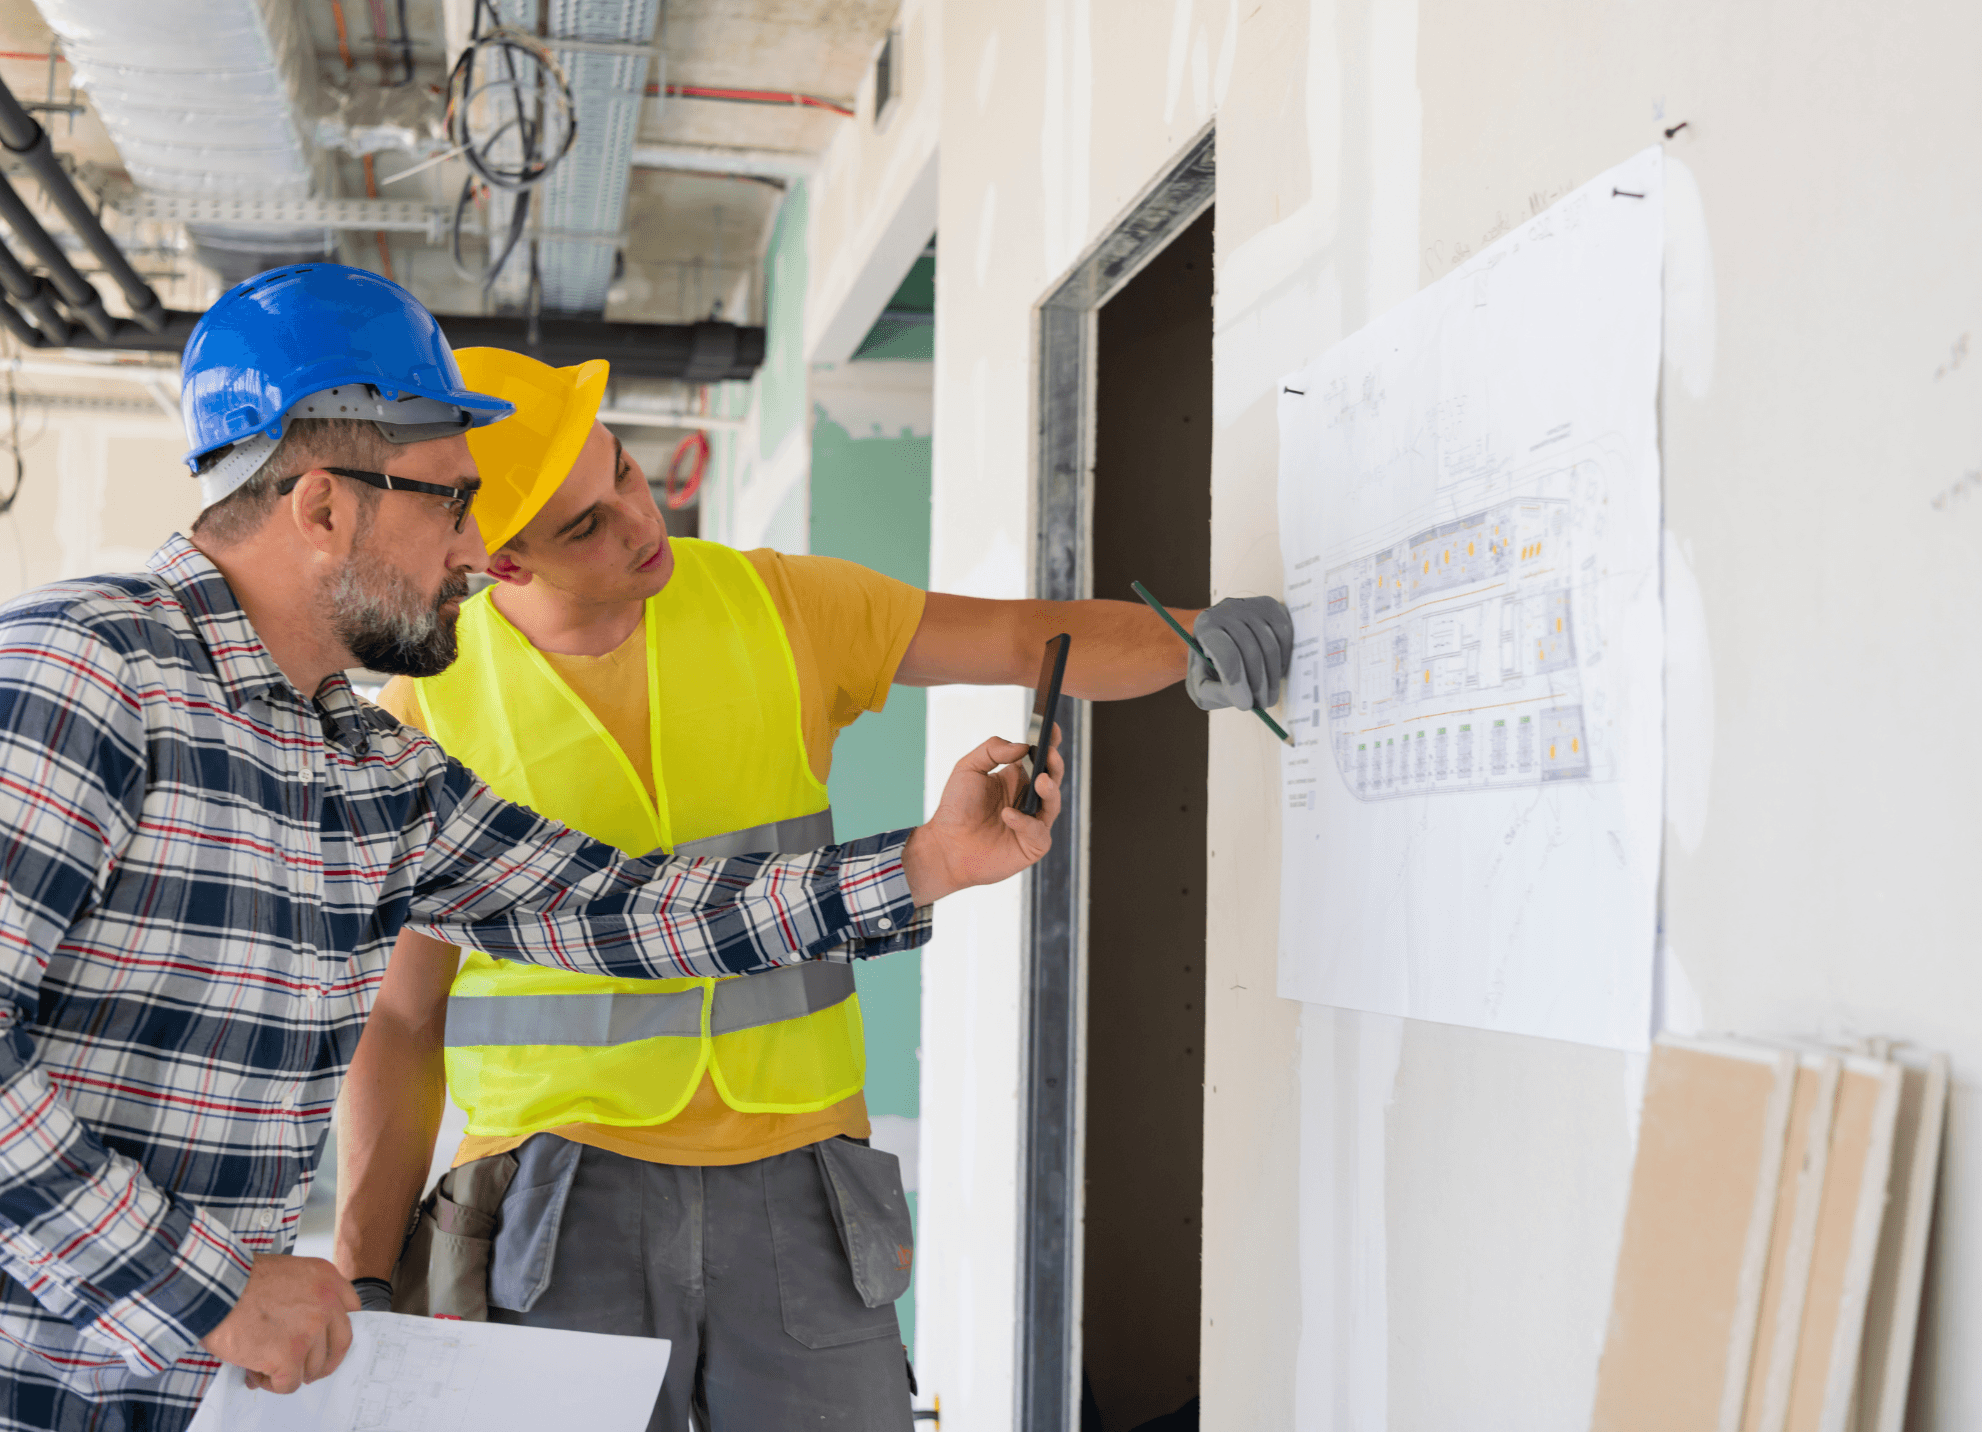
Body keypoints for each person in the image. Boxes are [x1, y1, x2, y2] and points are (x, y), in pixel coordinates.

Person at [0, 267, 1061, 1432]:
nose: (480, 548)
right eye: (451, 502)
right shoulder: (84, 671)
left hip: (202, 1392)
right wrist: (206, 1286)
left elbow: (619, 911)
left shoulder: (367, 768)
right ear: (325, 508)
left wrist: (927, 864)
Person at [331, 347, 1293, 1429]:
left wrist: (1187, 638)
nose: (641, 522)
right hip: (554, 1202)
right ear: (502, 565)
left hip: (801, 1184)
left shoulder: (777, 604)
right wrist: (364, 1269)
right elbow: (402, 1017)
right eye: (585, 528)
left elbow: (1026, 637)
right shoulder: (426, 718)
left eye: (627, 477)